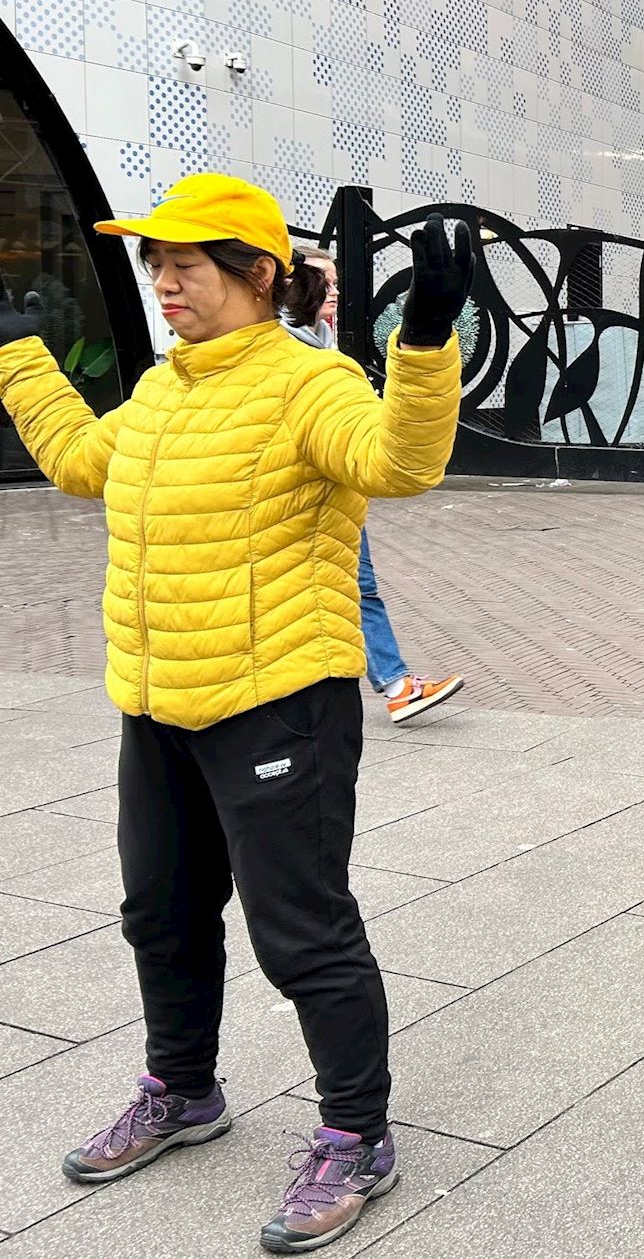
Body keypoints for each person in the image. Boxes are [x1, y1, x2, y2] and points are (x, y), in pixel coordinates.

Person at [0, 173, 473, 1252]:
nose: (164, 283)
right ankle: (182, 1090)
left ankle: (357, 1136)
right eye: (155, 265)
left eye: (186, 264)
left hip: (279, 706)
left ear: (259, 275)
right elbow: (78, 464)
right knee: (160, 913)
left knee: (301, 932)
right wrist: (19, 356)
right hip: (159, 701)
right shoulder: (162, 390)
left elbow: (400, 463)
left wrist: (424, 343)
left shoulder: (308, 383)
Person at [282, 244, 465, 723]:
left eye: (336, 282)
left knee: (357, 588)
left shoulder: (321, 343)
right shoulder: (292, 353)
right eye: (322, 281)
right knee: (356, 588)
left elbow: (397, 460)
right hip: (311, 503)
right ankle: (396, 686)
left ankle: (395, 684)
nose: (333, 291)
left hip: (338, 493)